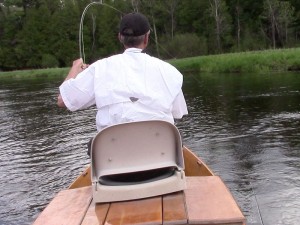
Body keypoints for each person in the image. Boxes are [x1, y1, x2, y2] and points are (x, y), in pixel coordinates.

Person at [57, 12, 188, 134]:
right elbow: (178, 113)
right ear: (147, 38)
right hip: (161, 153)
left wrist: (75, 68)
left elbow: (63, 101)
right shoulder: (170, 72)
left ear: (120, 37)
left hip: (113, 156)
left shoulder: (99, 68)